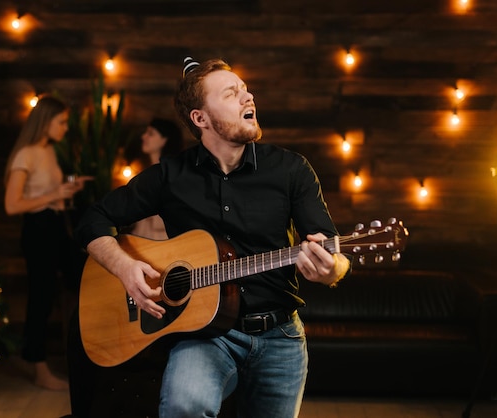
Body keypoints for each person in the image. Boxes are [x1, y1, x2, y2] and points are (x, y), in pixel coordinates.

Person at [74, 57, 351, 417]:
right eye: (232, 93)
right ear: (200, 118)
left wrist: (330, 270)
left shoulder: (291, 170)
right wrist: (125, 268)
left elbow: (331, 250)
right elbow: (92, 220)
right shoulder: (170, 176)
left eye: (245, 89)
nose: (248, 97)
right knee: (184, 406)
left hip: (280, 336)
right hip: (204, 337)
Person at [4, 95, 92, 391]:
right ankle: (38, 366)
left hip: (55, 227)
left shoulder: (50, 152)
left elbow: (48, 193)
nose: (66, 128)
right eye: (62, 122)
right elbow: (12, 205)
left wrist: (67, 190)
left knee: (81, 281)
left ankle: (86, 356)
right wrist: (54, 195)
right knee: (40, 297)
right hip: (37, 229)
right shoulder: (25, 155)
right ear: (46, 121)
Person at [127, 117, 184, 240]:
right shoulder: (144, 173)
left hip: (162, 245)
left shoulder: (174, 176)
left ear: (164, 140)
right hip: (140, 241)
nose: (144, 137)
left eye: (151, 133)